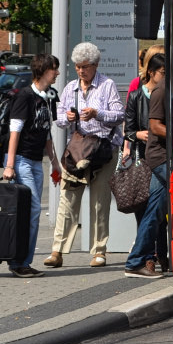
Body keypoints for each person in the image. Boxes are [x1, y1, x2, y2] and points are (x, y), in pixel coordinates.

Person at [45, 42, 123, 269]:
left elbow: (119, 115)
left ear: (96, 65)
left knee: (100, 202)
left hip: (102, 150)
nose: (81, 71)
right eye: (78, 67)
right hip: (77, 149)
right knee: (67, 201)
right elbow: (58, 118)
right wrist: (67, 118)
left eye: (85, 67)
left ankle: (99, 251)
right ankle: (57, 250)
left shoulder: (107, 85)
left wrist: (97, 113)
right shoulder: (70, 88)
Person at [0, 54, 62, 278]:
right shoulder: (25, 96)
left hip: (36, 161)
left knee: (32, 211)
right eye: (54, 69)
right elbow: (14, 131)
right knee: (33, 209)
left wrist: (55, 163)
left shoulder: (47, 97)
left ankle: (23, 262)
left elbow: (46, 132)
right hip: (21, 160)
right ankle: (18, 262)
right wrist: (9, 165)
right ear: (43, 70)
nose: (57, 73)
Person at [122, 51, 169, 272]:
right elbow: (128, 131)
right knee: (149, 211)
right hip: (144, 158)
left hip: (158, 154)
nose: (166, 75)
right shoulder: (137, 96)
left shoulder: (165, 91)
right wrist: (139, 135)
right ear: (151, 72)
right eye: (162, 71)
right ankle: (145, 259)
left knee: (156, 211)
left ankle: (154, 257)